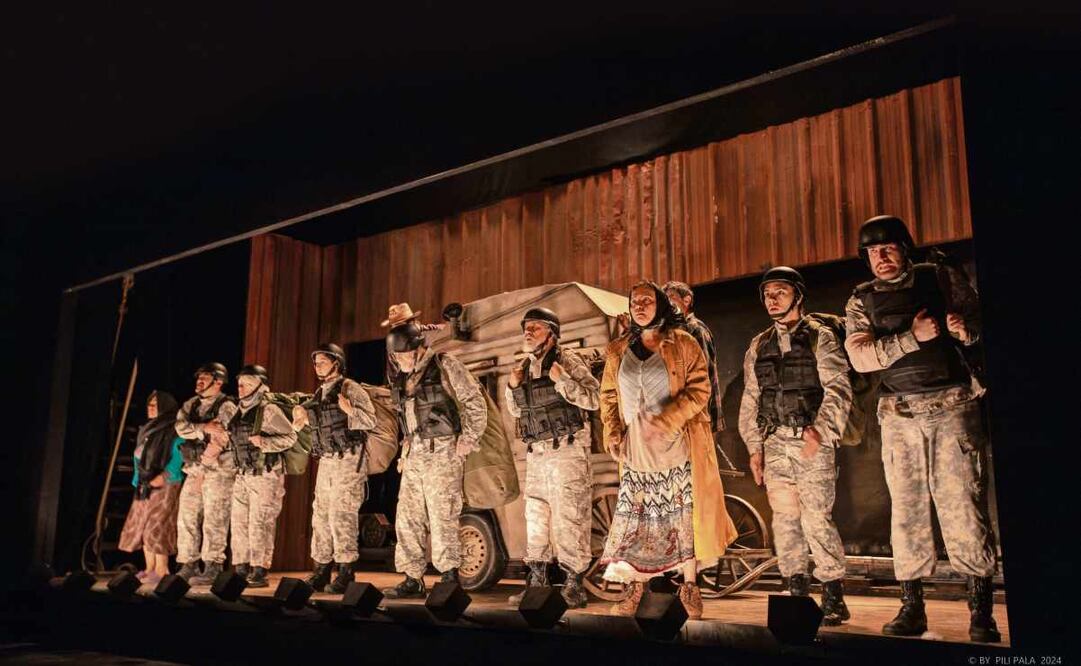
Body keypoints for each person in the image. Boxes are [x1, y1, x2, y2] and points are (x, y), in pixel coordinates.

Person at [844, 215, 999, 643]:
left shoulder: (940, 277)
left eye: (888, 248)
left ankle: (981, 611)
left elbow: (979, 322)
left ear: (905, 247)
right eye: (873, 252)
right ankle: (912, 607)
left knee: (963, 508)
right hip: (899, 414)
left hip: (952, 407)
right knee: (907, 513)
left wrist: (965, 331)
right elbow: (861, 358)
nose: (881, 257)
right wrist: (913, 338)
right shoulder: (860, 299)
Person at [597, 280, 737, 619]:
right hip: (636, 447)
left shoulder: (683, 342)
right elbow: (609, 396)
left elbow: (700, 390)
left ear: (660, 304)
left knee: (681, 515)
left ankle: (689, 586)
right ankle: (635, 589)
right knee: (638, 520)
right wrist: (612, 432)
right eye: (635, 301)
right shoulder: (618, 349)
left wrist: (668, 419)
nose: (639, 306)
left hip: (676, 442)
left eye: (647, 300)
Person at [737, 266, 853, 625]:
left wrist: (821, 430)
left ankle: (833, 594)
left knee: (816, 516)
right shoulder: (759, 344)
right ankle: (796, 589)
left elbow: (838, 388)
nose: (772, 299)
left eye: (781, 292)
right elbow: (751, 398)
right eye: (767, 294)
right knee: (785, 519)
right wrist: (754, 448)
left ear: (798, 296)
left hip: (810, 439)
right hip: (774, 442)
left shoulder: (820, 337)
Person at [380, 303, 487, 599]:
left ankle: (450, 576)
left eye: (402, 354)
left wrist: (468, 439)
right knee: (407, 516)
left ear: (416, 348)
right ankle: (412, 577)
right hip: (415, 452)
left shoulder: (444, 365)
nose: (398, 360)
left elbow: (474, 402)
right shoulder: (403, 376)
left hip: (442, 450)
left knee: (443, 515)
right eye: (395, 356)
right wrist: (406, 446)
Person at [505, 307, 599, 609]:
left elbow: (594, 398)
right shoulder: (524, 366)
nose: (528, 332)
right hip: (537, 454)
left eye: (536, 327)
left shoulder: (568, 360)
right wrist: (512, 388)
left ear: (552, 334)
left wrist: (564, 381)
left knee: (569, 518)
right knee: (536, 519)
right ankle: (537, 584)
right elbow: (517, 411)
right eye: (526, 327)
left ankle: (573, 585)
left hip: (567, 451)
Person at [291, 343, 378, 594]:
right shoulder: (320, 392)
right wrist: (301, 416)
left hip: (348, 458)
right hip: (327, 460)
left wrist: (351, 411)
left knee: (342, 513)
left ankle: (346, 570)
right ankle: (321, 569)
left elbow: (371, 420)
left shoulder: (351, 388)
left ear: (336, 363)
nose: (317, 366)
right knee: (321, 515)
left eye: (322, 362)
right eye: (315, 362)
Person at [221, 365, 296, 588]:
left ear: (260, 385)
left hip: (264, 474)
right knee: (239, 523)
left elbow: (290, 437)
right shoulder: (239, 410)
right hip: (243, 474)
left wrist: (264, 442)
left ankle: (259, 570)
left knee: (259, 523)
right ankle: (241, 568)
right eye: (240, 383)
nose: (241, 387)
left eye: (247, 383)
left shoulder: (268, 409)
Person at [174, 362, 237, 583]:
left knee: (215, 518)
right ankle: (188, 563)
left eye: (205, 377)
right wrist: (203, 428)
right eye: (199, 377)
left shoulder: (226, 406)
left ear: (218, 382)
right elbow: (180, 427)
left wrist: (201, 433)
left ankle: (213, 565)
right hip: (194, 470)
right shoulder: (191, 404)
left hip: (218, 471)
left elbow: (220, 437)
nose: (199, 381)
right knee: (187, 516)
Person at [118, 391, 185, 586]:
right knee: (144, 525)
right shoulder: (148, 430)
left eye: (155, 404)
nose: (151, 407)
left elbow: (179, 454)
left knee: (158, 526)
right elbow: (138, 457)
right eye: (149, 404)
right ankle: (149, 569)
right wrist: (137, 480)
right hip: (145, 484)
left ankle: (162, 570)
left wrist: (165, 475)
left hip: (165, 484)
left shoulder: (173, 429)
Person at [663, 281, 725, 433]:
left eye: (671, 297)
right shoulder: (672, 332)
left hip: (697, 417)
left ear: (686, 300)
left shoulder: (695, 330)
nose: (666, 304)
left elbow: (702, 379)